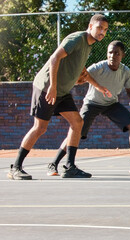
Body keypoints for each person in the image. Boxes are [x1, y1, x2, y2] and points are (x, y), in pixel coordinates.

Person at [7, 14, 109, 180]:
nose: (102, 32)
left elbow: (81, 69)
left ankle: (69, 167)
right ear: (90, 27)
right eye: (99, 28)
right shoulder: (77, 38)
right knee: (40, 128)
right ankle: (15, 167)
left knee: (77, 122)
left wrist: (99, 87)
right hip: (46, 87)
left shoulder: (88, 45)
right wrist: (52, 87)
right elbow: (54, 57)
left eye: (105, 30)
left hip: (62, 91)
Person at [47, 40, 130, 177]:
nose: (112, 56)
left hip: (111, 104)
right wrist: (76, 79)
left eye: (116, 53)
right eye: (110, 53)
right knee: (76, 131)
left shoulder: (125, 71)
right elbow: (81, 75)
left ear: (122, 55)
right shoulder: (98, 68)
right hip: (92, 104)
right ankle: (54, 163)